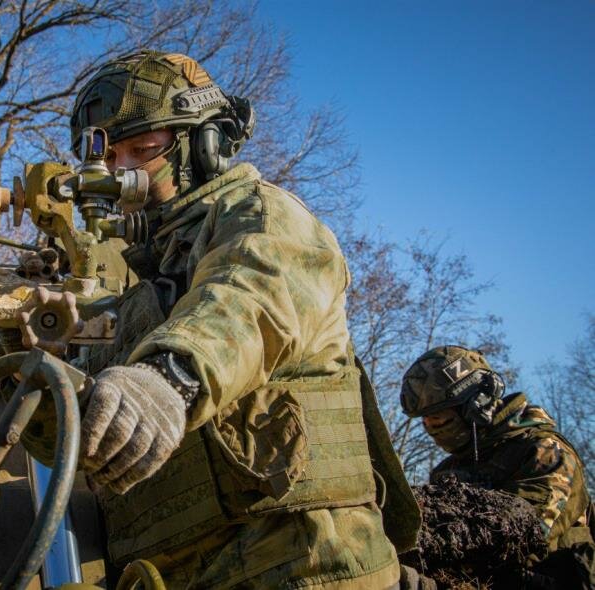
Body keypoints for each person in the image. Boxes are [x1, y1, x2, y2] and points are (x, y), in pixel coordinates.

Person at [47, 49, 419, 589]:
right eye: (111, 157)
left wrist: (167, 380)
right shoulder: (140, 280)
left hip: (300, 563)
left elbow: (249, 298)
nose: (123, 174)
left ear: (206, 144)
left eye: (143, 149)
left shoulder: (264, 218)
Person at [401, 345, 595, 588]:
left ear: (476, 405)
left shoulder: (544, 451)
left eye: (439, 417)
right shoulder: (448, 470)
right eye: (426, 421)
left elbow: (527, 531)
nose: (431, 427)